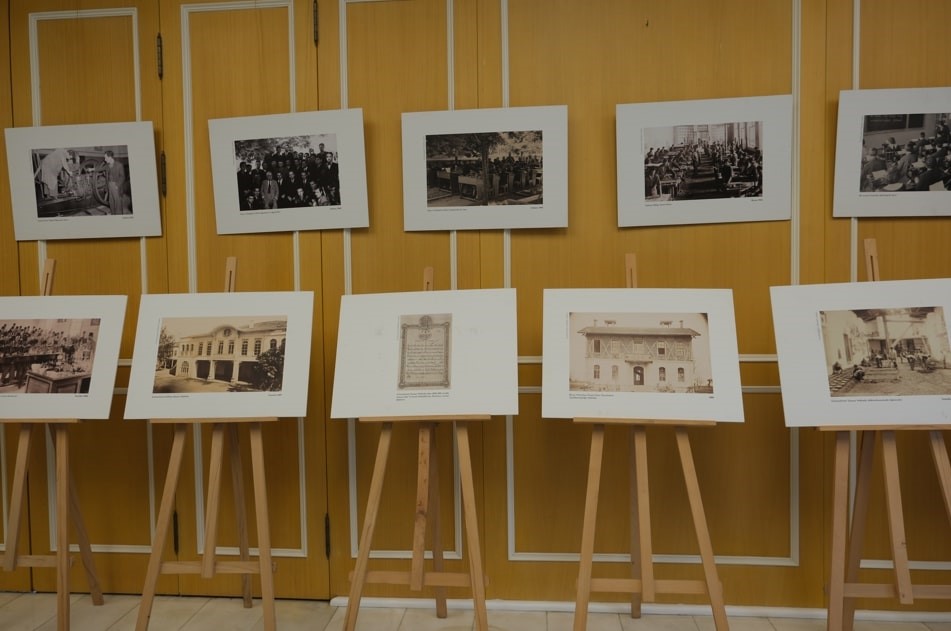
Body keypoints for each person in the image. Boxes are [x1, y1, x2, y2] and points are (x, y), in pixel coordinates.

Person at [103, 150, 126, 215]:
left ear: (110, 157)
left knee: (118, 203)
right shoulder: (108, 165)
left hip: (116, 186)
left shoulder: (119, 165)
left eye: (105, 157)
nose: (105, 159)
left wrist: (117, 185)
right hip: (110, 185)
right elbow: (101, 169)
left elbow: (123, 177)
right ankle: (113, 215)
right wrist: (92, 169)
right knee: (111, 202)